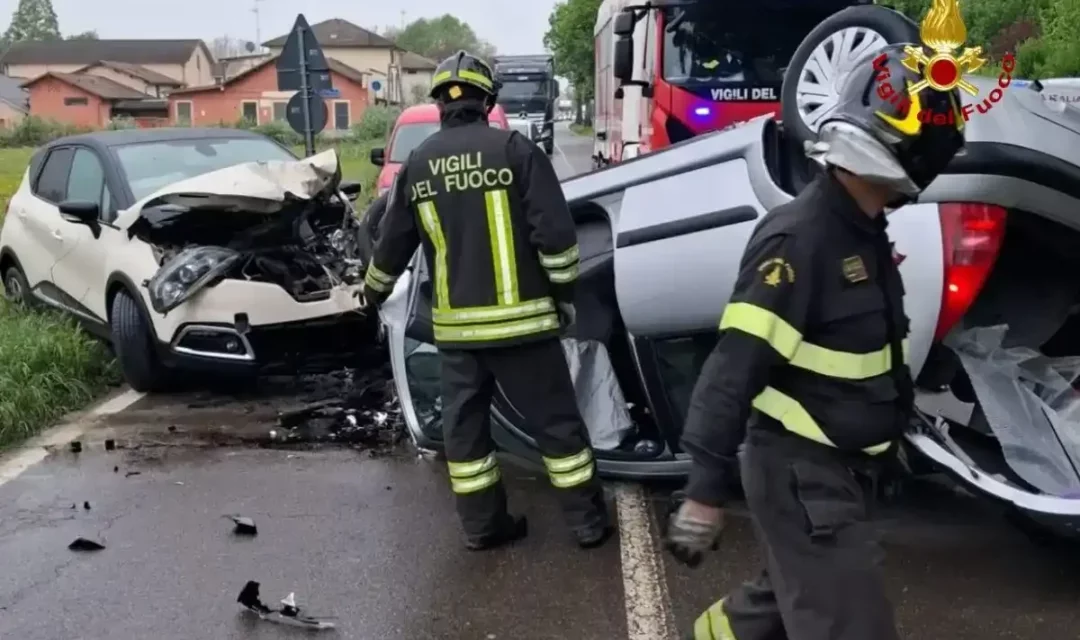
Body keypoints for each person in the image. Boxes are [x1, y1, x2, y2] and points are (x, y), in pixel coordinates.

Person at [664, 43, 966, 639]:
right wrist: (704, 489)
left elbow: (866, 345)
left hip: (841, 468)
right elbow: (734, 368)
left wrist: (905, 410)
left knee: (785, 602)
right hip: (802, 473)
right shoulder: (801, 240)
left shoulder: (862, 229)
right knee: (849, 625)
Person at [360, 50, 612, 551]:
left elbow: (391, 248)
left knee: (467, 438)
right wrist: (563, 299)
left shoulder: (418, 165)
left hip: (457, 338)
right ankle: (586, 525)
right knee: (558, 428)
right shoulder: (517, 151)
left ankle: (482, 527)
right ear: (487, 99)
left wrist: (371, 293)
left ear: (439, 105)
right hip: (525, 329)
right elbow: (559, 243)